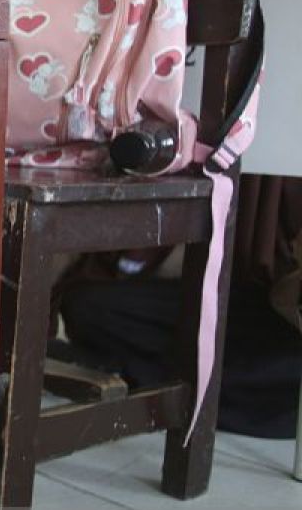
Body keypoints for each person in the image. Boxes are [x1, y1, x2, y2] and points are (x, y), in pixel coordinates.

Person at [55, 175, 302, 438]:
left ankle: (127, 374)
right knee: (87, 306)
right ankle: (131, 374)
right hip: (248, 298)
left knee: (285, 385)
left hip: (286, 340)